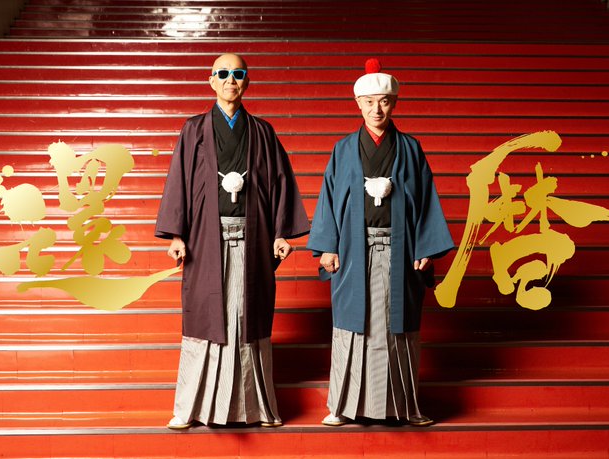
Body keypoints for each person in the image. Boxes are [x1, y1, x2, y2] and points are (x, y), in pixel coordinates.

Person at [155, 53, 310, 429]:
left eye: (238, 74)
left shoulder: (262, 132)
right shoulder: (194, 129)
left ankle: (255, 408)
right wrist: (176, 234)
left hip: (252, 237)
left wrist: (282, 233)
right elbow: (179, 181)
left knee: (246, 315)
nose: (230, 80)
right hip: (205, 239)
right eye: (222, 73)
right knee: (206, 316)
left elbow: (280, 183)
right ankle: (191, 408)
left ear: (247, 82)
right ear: (211, 80)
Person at [307, 58, 454, 427]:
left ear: (394, 103)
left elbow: (425, 199)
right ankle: (343, 406)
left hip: (400, 249)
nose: (377, 109)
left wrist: (425, 248)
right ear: (358, 103)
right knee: (352, 324)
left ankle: (405, 407)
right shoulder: (343, 149)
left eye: (384, 102)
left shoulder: (411, 148)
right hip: (353, 250)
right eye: (369, 102)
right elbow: (329, 199)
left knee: (397, 325)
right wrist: (328, 245)